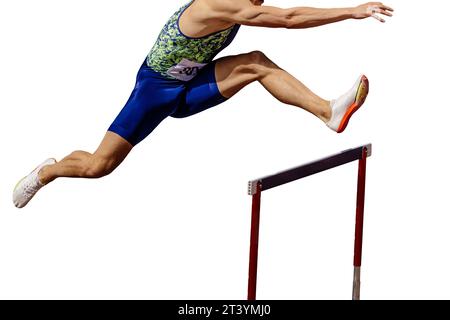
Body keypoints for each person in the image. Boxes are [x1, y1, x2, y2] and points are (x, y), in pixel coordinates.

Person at [13, 0, 394, 208]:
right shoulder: (219, 5)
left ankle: (328, 112)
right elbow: (288, 18)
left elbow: (280, 12)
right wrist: (351, 10)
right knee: (100, 165)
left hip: (194, 80)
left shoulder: (245, 3)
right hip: (155, 89)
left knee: (256, 63)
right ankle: (48, 172)